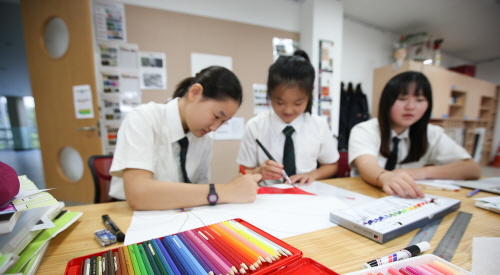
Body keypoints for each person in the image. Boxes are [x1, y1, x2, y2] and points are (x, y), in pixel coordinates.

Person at [109, 66, 261, 210]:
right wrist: (227, 191)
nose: (215, 128)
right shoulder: (144, 118)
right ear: (194, 93)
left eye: (223, 122)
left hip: (177, 215)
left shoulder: (204, 140)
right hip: (130, 216)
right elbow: (138, 194)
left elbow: (200, 192)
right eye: (216, 116)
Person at [349, 71, 481, 198]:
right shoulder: (365, 130)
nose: (410, 106)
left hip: (406, 197)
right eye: (402, 98)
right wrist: (385, 177)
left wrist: (421, 172)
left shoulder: (432, 133)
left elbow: (472, 169)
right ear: (386, 102)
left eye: (419, 99)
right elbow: (366, 165)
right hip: (365, 194)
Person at [237, 50, 339, 186]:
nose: (288, 110)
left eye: (298, 103)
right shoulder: (255, 126)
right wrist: (259, 171)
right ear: (269, 93)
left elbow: (331, 165)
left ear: (309, 94)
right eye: (280, 102)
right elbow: (243, 173)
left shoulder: (319, 125)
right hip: (268, 197)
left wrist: (311, 175)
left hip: (306, 195)